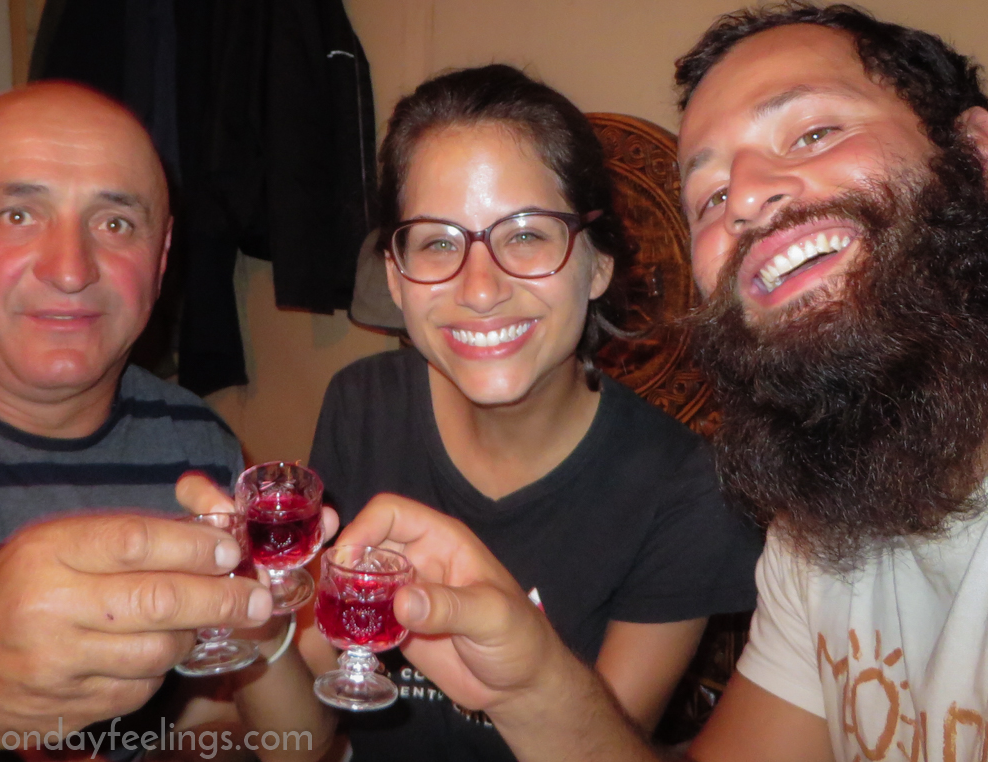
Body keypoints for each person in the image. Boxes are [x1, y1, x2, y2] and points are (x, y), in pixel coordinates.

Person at [321, 2, 988, 762]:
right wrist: (531, 684)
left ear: (982, 156)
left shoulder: (692, 489)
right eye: (712, 197)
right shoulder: (819, 528)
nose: (749, 194)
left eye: (815, 133)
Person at [302, 64, 761, 760]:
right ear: (396, 277)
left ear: (597, 263)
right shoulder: (360, 407)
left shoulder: (686, 489)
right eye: (437, 242)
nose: (479, 288)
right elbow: (301, 738)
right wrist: (255, 620)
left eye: (525, 235)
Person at [0, 82, 333, 762]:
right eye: (17, 215)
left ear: (161, 259)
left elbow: (217, 720)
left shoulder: (198, 448)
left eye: (116, 223)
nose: (70, 270)